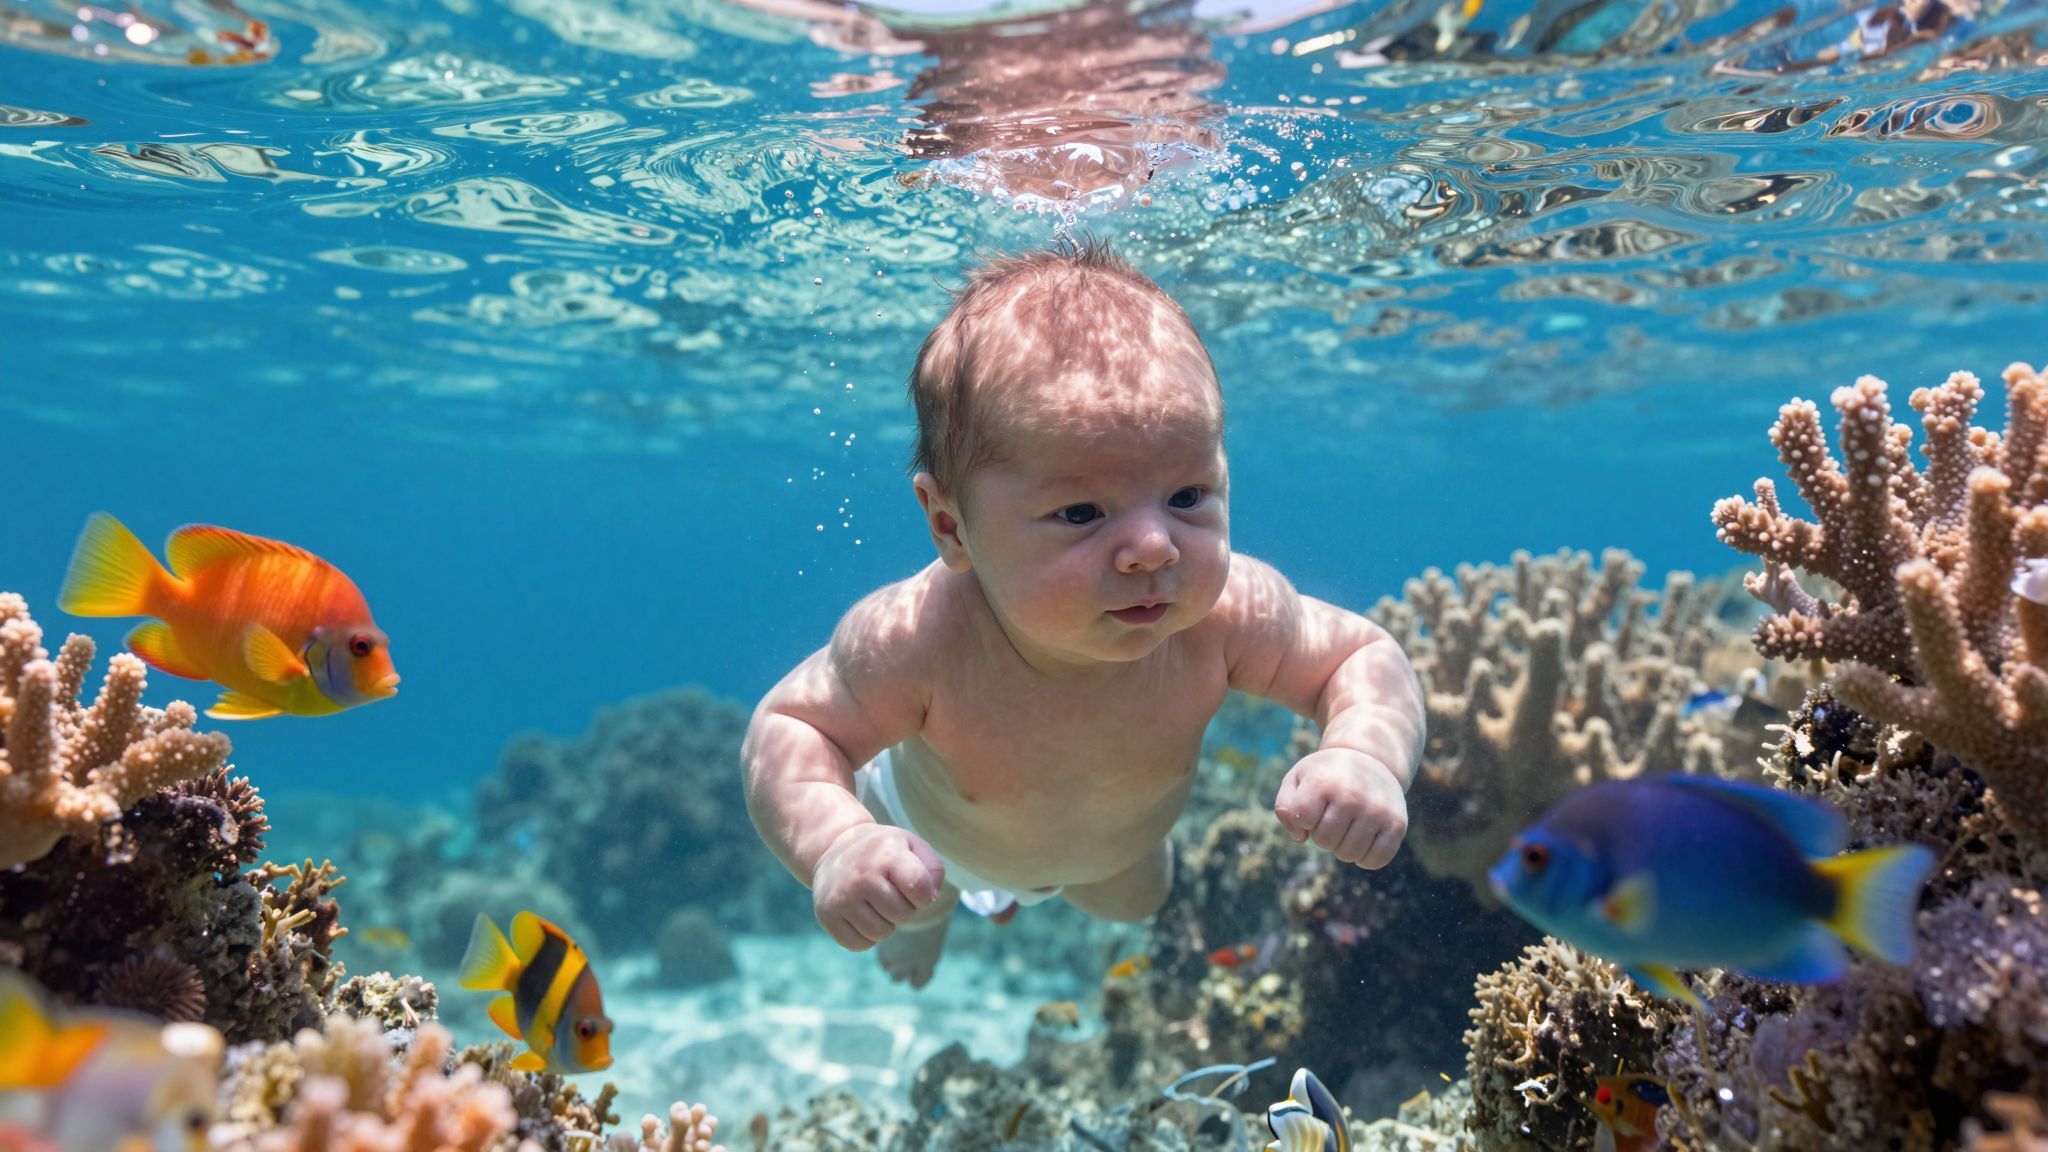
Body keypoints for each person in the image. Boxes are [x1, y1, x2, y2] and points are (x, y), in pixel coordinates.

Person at [742, 239, 1426, 987]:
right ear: (950, 526)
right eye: (1080, 512)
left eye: (1188, 497)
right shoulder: (918, 641)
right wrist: (839, 844)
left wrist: (1363, 753)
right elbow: (790, 727)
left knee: (1140, 903)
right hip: (928, 841)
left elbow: (1362, 658)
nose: (1153, 547)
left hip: (1119, 853)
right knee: (914, 898)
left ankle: (1011, 896)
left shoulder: (1224, 615)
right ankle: (942, 919)